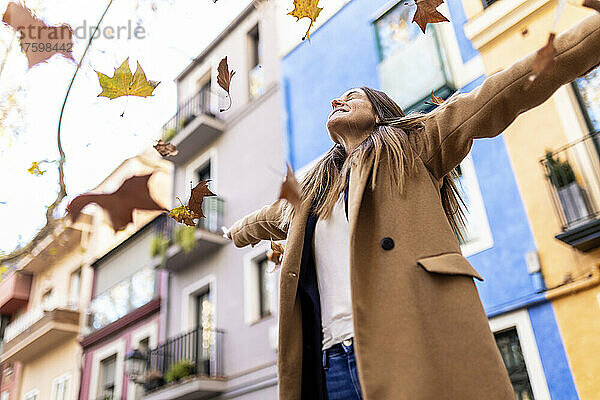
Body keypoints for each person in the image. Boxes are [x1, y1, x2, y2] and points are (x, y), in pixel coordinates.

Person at [222, 11, 600, 400]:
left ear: (380, 111)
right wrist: (233, 233)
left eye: (353, 96)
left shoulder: (418, 144)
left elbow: (506, 89)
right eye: (337, 98)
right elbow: (267, 217)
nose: (338, 99)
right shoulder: (314, 191)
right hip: (331, 363)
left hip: (406, 341)